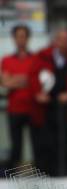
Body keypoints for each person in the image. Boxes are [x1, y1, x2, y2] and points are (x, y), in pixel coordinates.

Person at [29, 28, 67, 176]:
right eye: (60, 39)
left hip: (66, 110)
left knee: (64, 144)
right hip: (45, 109)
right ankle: (44, 177)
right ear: (54, 41)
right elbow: (33, 76)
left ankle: (63, 175)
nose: (63, 43)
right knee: (45, 144)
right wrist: (38, 93)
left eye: (66, 39)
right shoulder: (42, 56)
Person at [0, 25, 34, 170]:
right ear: (14, 38)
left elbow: (35, 81)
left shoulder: (36, 59)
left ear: (28, 38)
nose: (21, 39)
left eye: (23, 36)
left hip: (33, 109)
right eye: (18, 36)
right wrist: (24, 80)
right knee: (16, 146)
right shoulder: (6, 60)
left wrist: (15, 80)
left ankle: (40, 178)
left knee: (38, 144)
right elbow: (5, 83)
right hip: (14, 109)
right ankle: (14, 178)